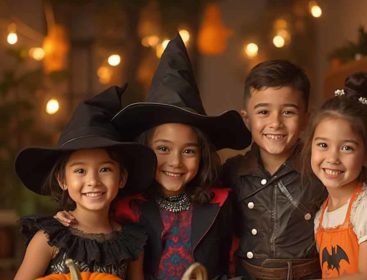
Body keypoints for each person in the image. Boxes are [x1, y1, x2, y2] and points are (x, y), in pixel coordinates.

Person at [56, 34, 252, 280]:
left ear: (203, 155)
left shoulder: (221, 204)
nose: (176, 162)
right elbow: (92, 225)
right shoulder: (125, 206)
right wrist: (65, 219)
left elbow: (232, 261)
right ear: (145, 148)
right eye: (163, 148)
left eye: (189, 151)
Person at [221, 60, 367, 279]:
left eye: (288, 112)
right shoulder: (234, 172)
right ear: (246, 119)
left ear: (306, 118)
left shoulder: (323, 167)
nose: (275, 123)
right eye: (264, 112)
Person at [13, 86, 156, 280]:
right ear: (62, 180)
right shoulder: (49, 240)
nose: (93, 181)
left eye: (105, 169)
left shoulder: (131, 243)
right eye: (80, 171)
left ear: (121, 178)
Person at [301, 72, 367, 279]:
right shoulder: (321, 214)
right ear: (310, 146)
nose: (333, 157)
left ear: (366, 155)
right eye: (323, 145)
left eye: (347, 148)